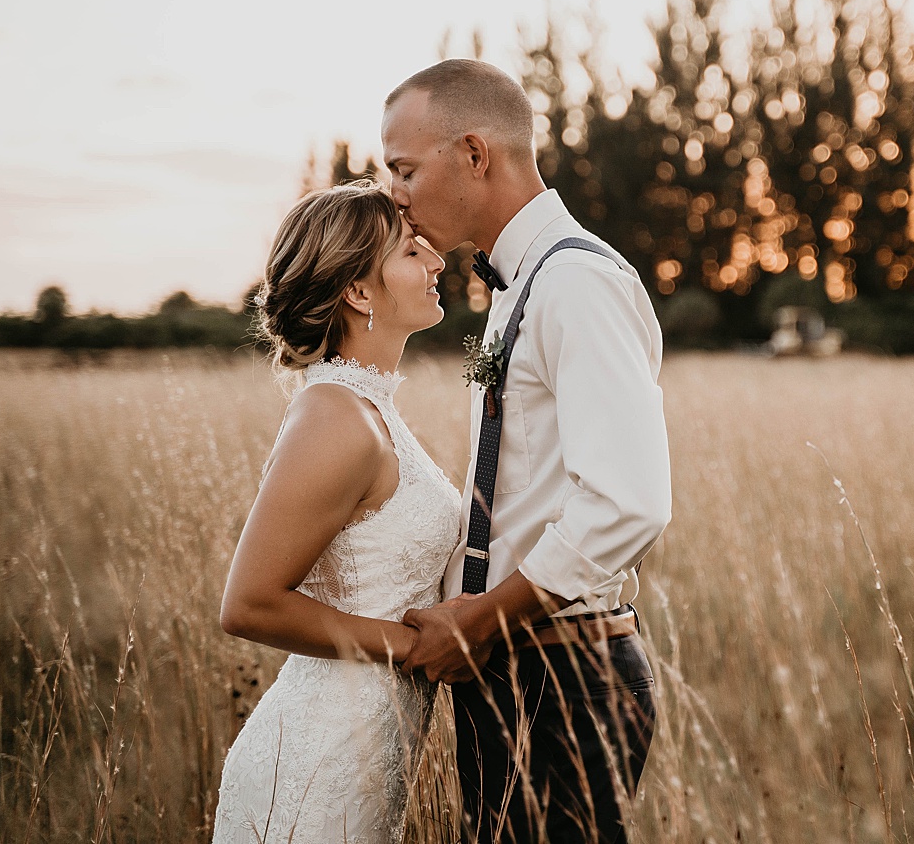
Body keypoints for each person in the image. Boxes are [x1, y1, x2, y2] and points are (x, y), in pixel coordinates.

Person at [382, 59, 673, 843]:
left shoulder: (577, 283)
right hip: (515, 666)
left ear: (475, 153)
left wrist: (480, 619)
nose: (395, 194)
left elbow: (628, 501)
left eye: (405, 168)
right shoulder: (518, 289)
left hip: (560, 676)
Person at [213, 181, 462, 843]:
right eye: (412, 250)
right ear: (357, 291)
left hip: (362, 764)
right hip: (318, 768)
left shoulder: (370, 407)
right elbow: (248, 603)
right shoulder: (335, 416)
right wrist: (413, 645)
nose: (436, 261)